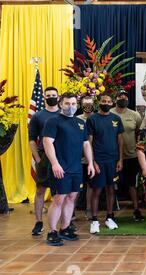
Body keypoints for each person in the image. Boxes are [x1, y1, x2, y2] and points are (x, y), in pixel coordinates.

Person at [42, 93, 95, 246]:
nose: (70, 107)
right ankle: (52, 231)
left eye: (73, 104)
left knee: (72, 198)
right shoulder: (53, 121)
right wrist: (55, 164)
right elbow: (47, 142)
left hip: (76, 167)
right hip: (61, 168)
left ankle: (65, 228)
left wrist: (90, 163)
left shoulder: (80, 122)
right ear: (60, 104)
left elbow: (86, 144)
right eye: (67, 104)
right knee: (59, 199)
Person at [87, 92, 124, 234]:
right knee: (97, 190)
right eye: (104, 101)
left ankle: (109, 217)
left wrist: (120, 159)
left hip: (113, 160)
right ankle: (95, 220)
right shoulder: (92, 119)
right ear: (99, 102)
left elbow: (120, 140)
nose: (106, 103)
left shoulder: (116, 119)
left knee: (111, 189)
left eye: (109, 101)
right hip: (99, 161)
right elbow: (88, 142)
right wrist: (93, 161)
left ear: (112, 103)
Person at [28, 86, 60, 236]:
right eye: (48, 95)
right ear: (44, 97)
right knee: (40, 190)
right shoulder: (38, 116)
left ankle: (65, 223)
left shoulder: (65, 114)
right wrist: (38, 158)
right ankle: (39, 222)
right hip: (44, 157)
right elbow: (32, 140)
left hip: (62, 157)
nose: (51, 97)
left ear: (59, 97)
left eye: (54, 95)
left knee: (62, 191)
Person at [111, 90, 144, 221]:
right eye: (120, 96)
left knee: (132, 184)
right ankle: (110, 213)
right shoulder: (110, 113)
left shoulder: (135, 115)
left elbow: (139, 134)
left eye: (125, 97)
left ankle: (136, 210)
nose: (122, 98)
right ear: (116, 99)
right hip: (113, 157)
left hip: (131, 156)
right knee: (112, 185)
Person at [77, 96, 95, 220]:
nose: (88, 106)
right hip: (78, 159)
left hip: (93, 159)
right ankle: (71, 211)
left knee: (90, 185)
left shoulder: (96, 118)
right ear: (81, 105)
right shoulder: (76, 119)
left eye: (90, 104)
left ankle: (88, 209)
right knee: (76, 186)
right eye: (85, 104)